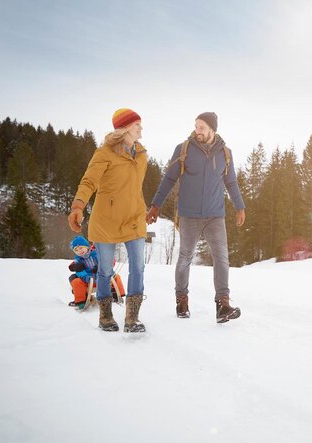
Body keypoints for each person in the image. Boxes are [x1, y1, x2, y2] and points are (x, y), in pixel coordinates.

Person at [146, 112, 246, 323]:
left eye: (202, 127)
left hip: (215, 215)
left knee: (222, 258)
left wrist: (240, 207)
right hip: (189, 215)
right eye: (196, 127)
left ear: (212, 130)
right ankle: (181, 299)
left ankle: (223, 305)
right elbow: (169, 178)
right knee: (185, 258)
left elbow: (231, 183)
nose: (197, 131)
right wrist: (155, 205)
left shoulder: (225, 153)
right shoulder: (183, 150)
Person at [67, 108, 148, 332]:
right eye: (136, 125)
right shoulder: (104, 153)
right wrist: (78, 205)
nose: (141, 128)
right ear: (124, 129)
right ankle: (105, 316)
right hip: (107, 220)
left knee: (138, 268)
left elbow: (134, 188)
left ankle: (132, 319)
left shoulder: (141, 154)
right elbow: (89, 181)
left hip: (134, 219)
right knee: (104, 270)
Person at [67, 235, 125, 309]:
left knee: (116, 277)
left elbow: (110, 261)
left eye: (81, 248)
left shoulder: (97, 253)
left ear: (87, 246)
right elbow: (78, 271)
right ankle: (81, 301)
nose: (79, 251)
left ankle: (116, 295)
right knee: (76, 281)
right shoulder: (78, 260)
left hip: (103, 278)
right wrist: (85, 276)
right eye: (76, 250)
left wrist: (102, 267)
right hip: (88, 281)